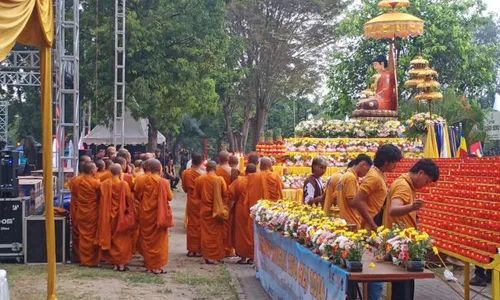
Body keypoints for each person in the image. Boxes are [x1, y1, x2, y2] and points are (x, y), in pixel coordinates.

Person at [382, 159, 439, 300]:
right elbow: (393, 209)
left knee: (402, 287)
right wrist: (412, 207)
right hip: (400, 245)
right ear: (420, 173)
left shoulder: (405, 183)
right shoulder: (403, 186)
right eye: (427, 181)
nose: (425, 185)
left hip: (400, 243)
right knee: (403, 289)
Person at [352, 144, 402, 300]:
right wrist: (373, 225)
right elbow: (357, 200)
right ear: (386, 162)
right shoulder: (374, 176)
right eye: (394, 163)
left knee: (375, 273)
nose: (395, 166)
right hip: (370, 228)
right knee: (375, 274)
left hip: (373, 225)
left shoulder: (378, 174)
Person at [134, 159, 173, 274]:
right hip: (159, 215)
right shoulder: (164, 182)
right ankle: (155, 266)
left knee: (146, 239)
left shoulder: (141, 179)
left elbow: (137, 195)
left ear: (148, 168)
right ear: (159, 168)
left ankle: (148, 263)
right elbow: (169, 197)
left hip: (145, 214)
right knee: (158, 241)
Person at [96, 164, 135, 272]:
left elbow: (101, 198)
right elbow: (128, 200)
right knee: (122, 239)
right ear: (120, 171)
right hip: (121, 216)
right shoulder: (124, 184)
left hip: (107, 215)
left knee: (111, 238)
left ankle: (114, 264)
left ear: (110, 172)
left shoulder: (104, 184)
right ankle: (121, 264)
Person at [246, 157, 283, 261]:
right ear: (270, 165)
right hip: (272, 211)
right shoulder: (275, 176)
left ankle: (253, 256)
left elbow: (249, 194)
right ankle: (273, 256)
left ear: (260, 165)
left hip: (258, 211)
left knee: (256, 232)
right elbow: (280, 191)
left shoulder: (253, 177)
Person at [194, 161, 228, 264]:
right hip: (216, 211)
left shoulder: (199, 179)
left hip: (204, 210)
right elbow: (225, 194)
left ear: (206, 168)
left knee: (205, 234)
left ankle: (206, 256)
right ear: (216, 169)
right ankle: (216, 256)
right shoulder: (219, 179)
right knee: (217, 234)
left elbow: (197, 196)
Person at [228, 163, 257, 264]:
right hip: (254, 210)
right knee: (252, 232)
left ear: (246, 171)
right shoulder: (259, 181)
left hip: (241, 210)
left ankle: (243, 257)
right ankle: (253, 256)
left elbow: (231, 194)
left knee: (241, 233)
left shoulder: (240, 181)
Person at [76, 161, 102, 267]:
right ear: (92, 171)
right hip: (92, 211)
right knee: (91, 236)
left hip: (81, 211)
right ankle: (90, 260)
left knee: (83, 235)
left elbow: (74, 193)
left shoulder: (76, 181)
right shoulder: (96, 183)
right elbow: (101, 195)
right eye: (96, 168)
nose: (97, 170)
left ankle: (83, 259)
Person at [337, 154, 373, 229]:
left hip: (344, 219)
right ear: (363, 164)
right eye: (367, 170)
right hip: (350, 222)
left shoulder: (345, 175)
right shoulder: (351, 178)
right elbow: (351, 201)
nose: (365, 174)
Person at [181, 153, 206, 257]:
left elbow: (185, 188)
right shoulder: (204, 175)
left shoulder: (186, 173)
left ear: (192, 160)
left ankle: (191, 250)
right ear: (202, 162)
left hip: (191, 200)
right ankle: (199, 249)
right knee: (200, 225)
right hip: (201, 201)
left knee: (191, 224)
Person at [68, 155, 92, 262]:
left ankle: (78, 256)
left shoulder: (74, 180)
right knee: (88, 234)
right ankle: (88, 257)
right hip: (90, 210)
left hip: (77, 209)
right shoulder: (94, 182)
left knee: (77, 233)